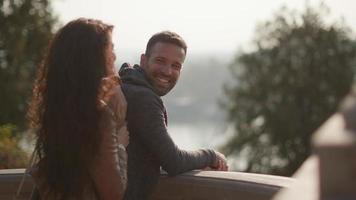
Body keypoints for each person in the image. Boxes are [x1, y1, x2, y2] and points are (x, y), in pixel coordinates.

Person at [119, 31, 228, 200]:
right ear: (143, 60)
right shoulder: (143, 98)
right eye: (160, 61)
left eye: (176, 66)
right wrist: (212, 156)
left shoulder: (126, 86)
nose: (167, 71)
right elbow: (174, 161)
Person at [27, 18, 129, 199]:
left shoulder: (57, 108)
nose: (114, 56)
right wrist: (120, 143)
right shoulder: (97, 115)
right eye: (110, 48)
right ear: (93, 57)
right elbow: (114, 193)